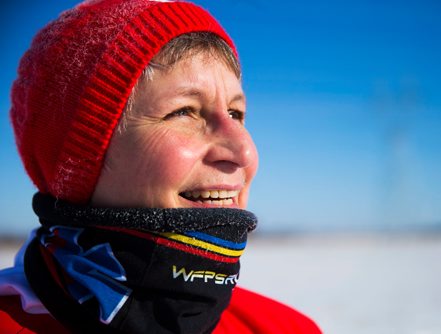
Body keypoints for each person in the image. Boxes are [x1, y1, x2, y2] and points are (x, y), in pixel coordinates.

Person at [0, 1, 322, 333]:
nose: (244, 150)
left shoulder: (285, 327)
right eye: (184, 111)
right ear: (81, 163)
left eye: (236, 113)